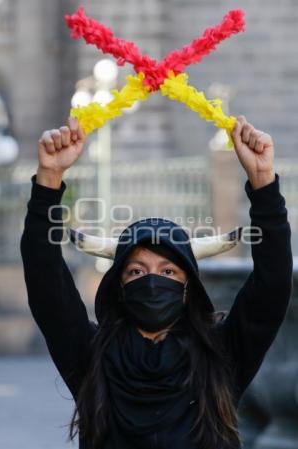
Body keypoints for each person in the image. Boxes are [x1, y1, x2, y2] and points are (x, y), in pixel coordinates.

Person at [20, 116, 293, 449]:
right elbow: (44, 278)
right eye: (136, 271)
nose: (151, 281)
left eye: (168, 272)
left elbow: (273, 283)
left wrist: (263, 180)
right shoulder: (90, 354)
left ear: (188, 286)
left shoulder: (222, 353)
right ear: (118, 285)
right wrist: (48, 178)